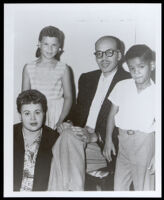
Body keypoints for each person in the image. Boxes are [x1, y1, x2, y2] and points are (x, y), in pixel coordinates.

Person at [48, 35, 131, 191]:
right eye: (99, 53)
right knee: (66, 137)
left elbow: (127, 126)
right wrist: (68, 123)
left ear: (119, 55)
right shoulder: (87, 78)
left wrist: (96, 136)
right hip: (79, 140)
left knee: (61, 151)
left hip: (104, 148)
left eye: (109, 53)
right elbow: (76, 112)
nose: (103, 58)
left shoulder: (129, 81)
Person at [104, 44, 155, 190]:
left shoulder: (157, 93)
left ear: (151, 65)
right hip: (123, 142)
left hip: (144, 143)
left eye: (141, 67)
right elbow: (112, 114)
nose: (136, 72)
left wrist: (157, 156)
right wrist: (108, 140)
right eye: (132, 68)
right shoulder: (122, 86)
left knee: (143, 187)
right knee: (119, 187)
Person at [22, 26, 73, 130]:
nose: (50, 49)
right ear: (39, 44)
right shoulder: (29, 67)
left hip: (57, 113)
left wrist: (61, 120)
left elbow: (68, 97)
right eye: (46, 44)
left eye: (54, 45)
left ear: (60, 47)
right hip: (35, 112)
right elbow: (24, 98)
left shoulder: (63, 68)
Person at [14, 89, 59, 191]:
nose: (33, 118)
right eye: (27, 113)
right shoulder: (9, 134)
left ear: (44, 113)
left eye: (37, 112)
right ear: (19, 115)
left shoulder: (55, 139)